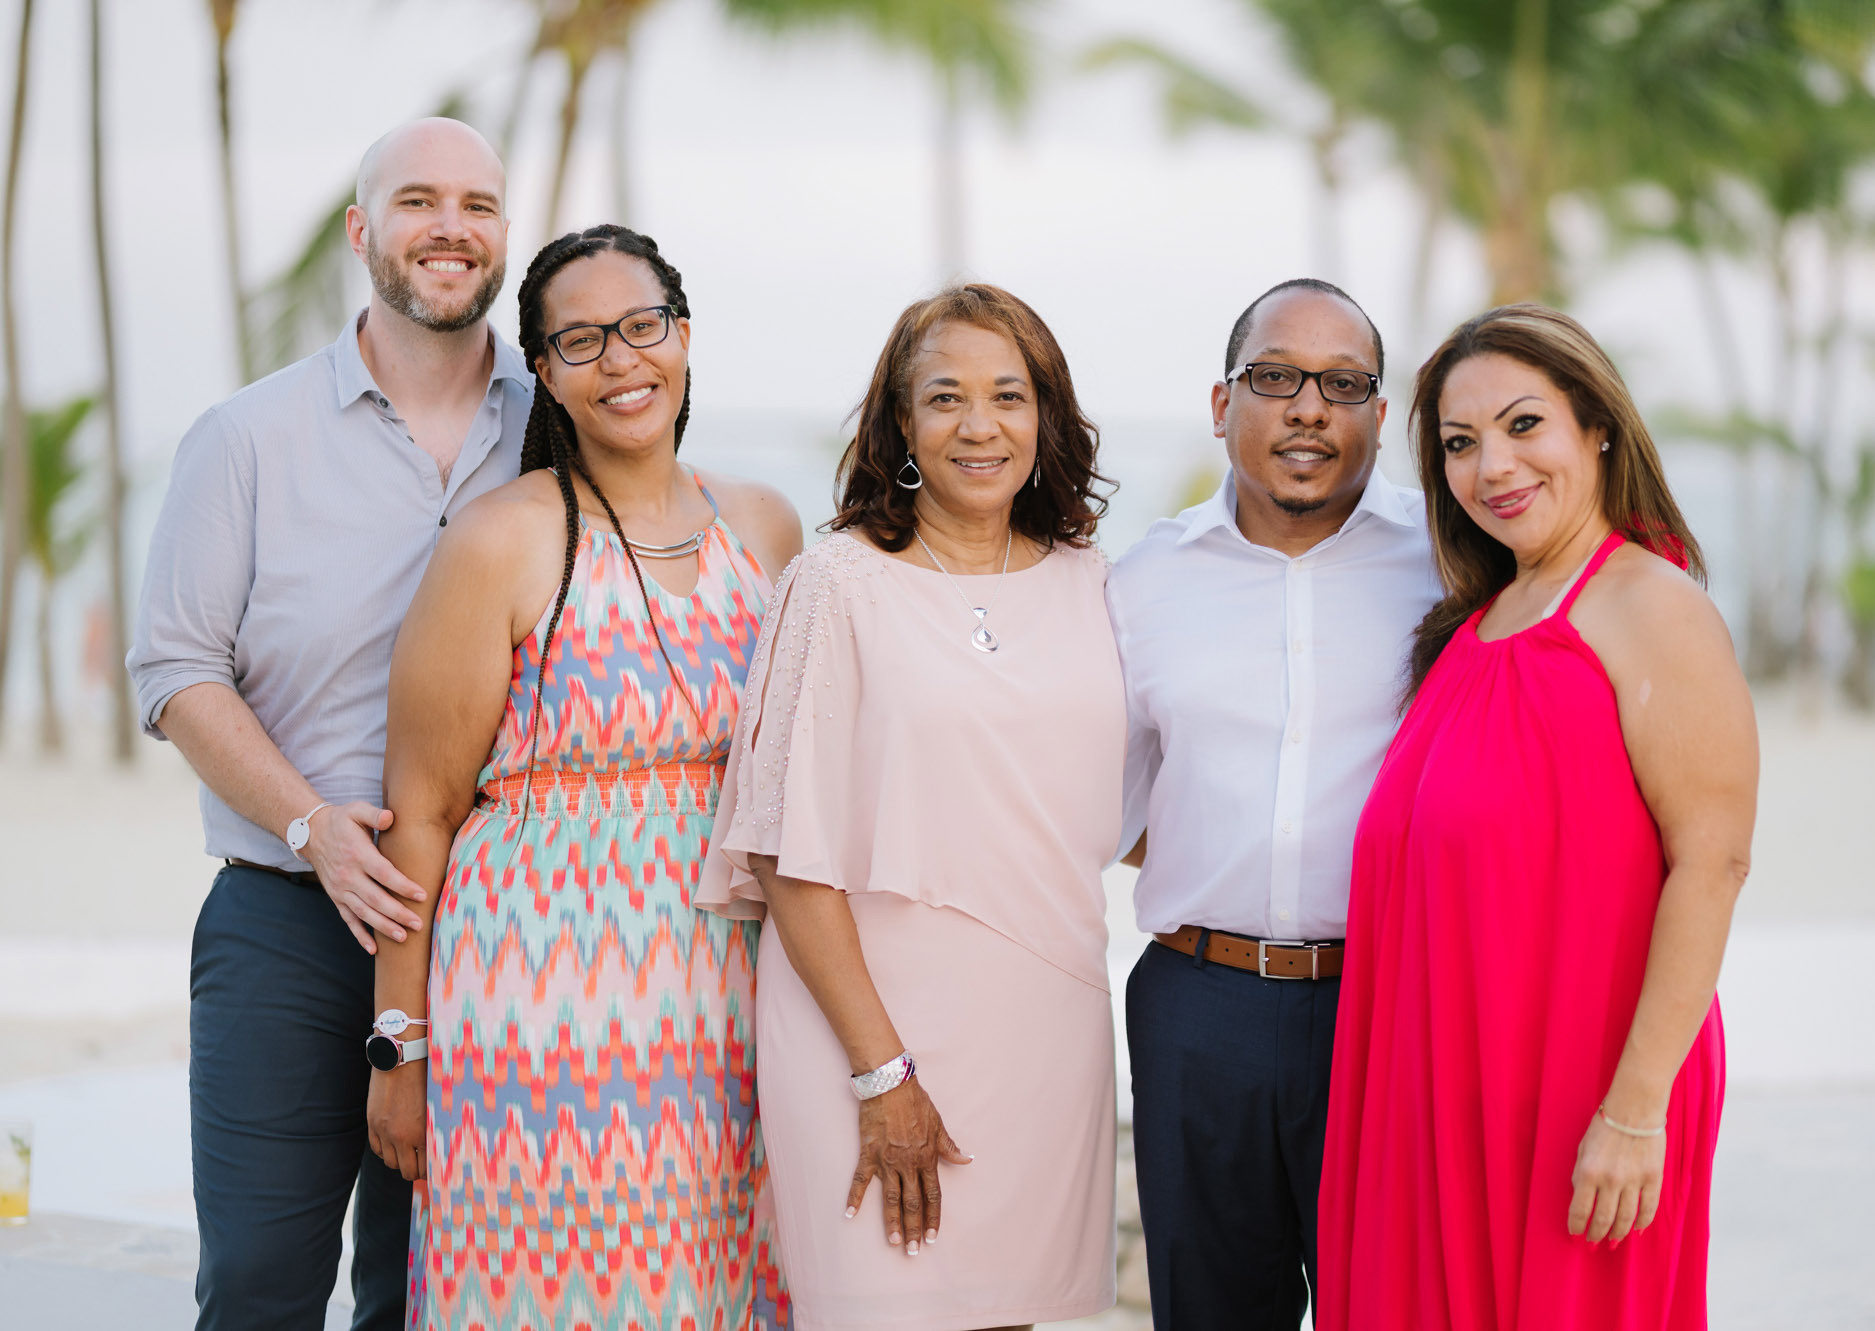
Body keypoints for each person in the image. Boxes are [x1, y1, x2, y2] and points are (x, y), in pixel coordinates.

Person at [361, 224, 803, 1330]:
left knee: (716, 1277)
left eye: (642, 326)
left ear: (684, 338)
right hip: (532, 1000)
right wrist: (399, 1047)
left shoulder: (764, 525)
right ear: (546, 372)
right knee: (539, 1286)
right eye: (582, 339)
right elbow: (420, 813)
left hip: (727, 992)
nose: (621, 359)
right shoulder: (497, 542)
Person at [126, 118, 527, 1330]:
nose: (449, 226)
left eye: (477, 203)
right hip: (284, 922)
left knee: (431, 1291)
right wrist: (314, 826)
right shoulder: (246, 437)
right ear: (364, 231)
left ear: (504, 236)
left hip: (491, 929)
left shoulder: (562, 433)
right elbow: (174, 667)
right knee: (257, 1281)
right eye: (416, 200)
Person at [1317, 304, 1754, 1330]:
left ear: (1594, 426)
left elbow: (1713, 859)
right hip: (1443, 1087)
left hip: (1584, 1085)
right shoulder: (1471, 625)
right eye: (1459, 444)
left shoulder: (1650, 605)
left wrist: (1633, 1109)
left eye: (1522, 425)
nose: (1491, 466)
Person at [695, 283, 1123, 1331]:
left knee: (1005, 1314)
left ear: (1047, 418)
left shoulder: (1093, 579)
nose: (979, 426)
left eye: (1008, 396)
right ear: (898, 425)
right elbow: (790, 856)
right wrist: (880, 1073)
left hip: (1043, 1025)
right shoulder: (835, 584)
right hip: (867, 1032)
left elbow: (1138, 798)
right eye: (944, 399)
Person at [1107, 278, 1439, 1329]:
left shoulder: (1447, 564)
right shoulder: (1143, 580)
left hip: (1389, 1006)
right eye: (1275, 377)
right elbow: (1110, 801)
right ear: (1220, 403)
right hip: (1197, 1010)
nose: (1307, 407)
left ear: (1378, 419)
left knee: (1388, 1307)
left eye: (1342, 384)